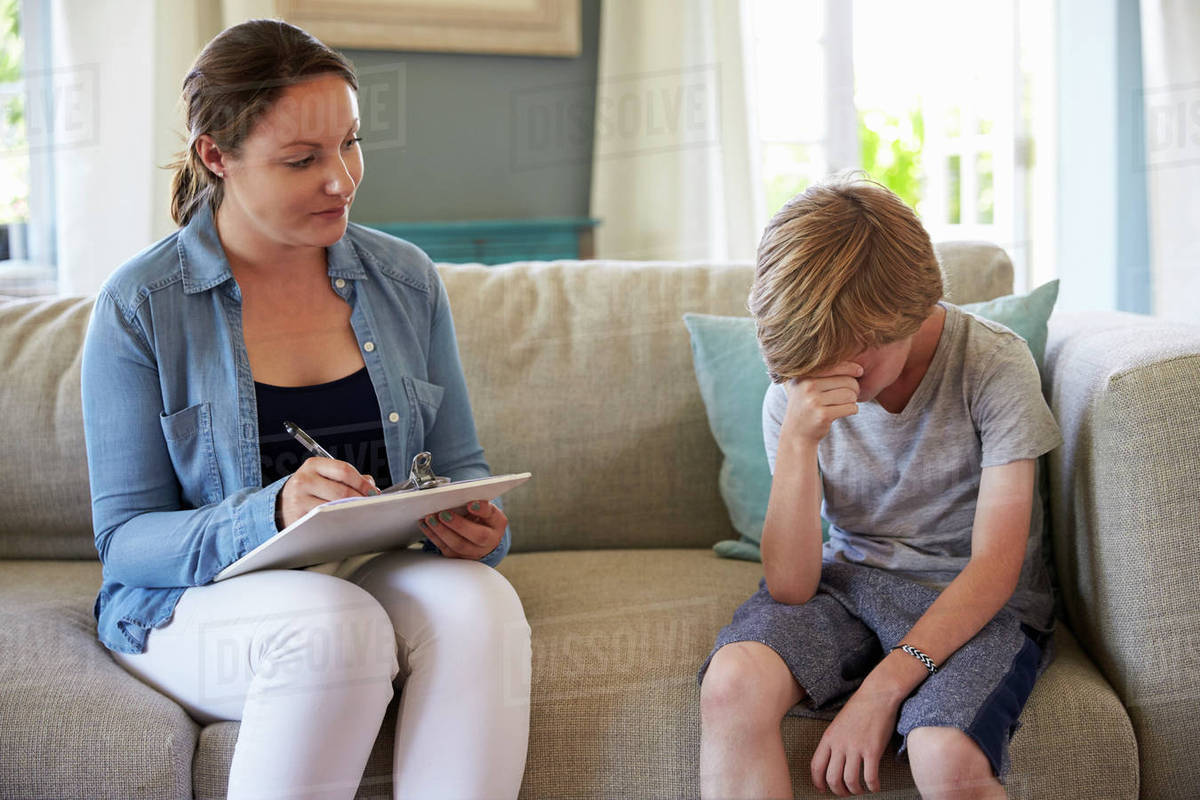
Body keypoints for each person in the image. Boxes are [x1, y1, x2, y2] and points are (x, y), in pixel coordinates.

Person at [80, 19, 531, 800]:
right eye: (302, 160)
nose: (343, 180)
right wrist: (273, 511)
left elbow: (461, 468)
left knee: (483, 602)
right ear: (216, 156)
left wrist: (479, 527)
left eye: (349, 144)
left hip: (369, 572)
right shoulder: (141, 306)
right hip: (197, 604)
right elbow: (125, 542)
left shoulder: (405, 279)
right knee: (334, 626)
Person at [696, 175, 1062, 799]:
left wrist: (883, 688)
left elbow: (996, 570)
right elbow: (790, 587)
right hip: (850, 588)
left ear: (909, 315)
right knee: (732, 684)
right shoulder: (796, 396)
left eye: (848, 359)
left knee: (944, 753)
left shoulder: (994, 365)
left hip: (972, 601)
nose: (823, 377)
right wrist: (798, 443)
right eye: (804, 365)